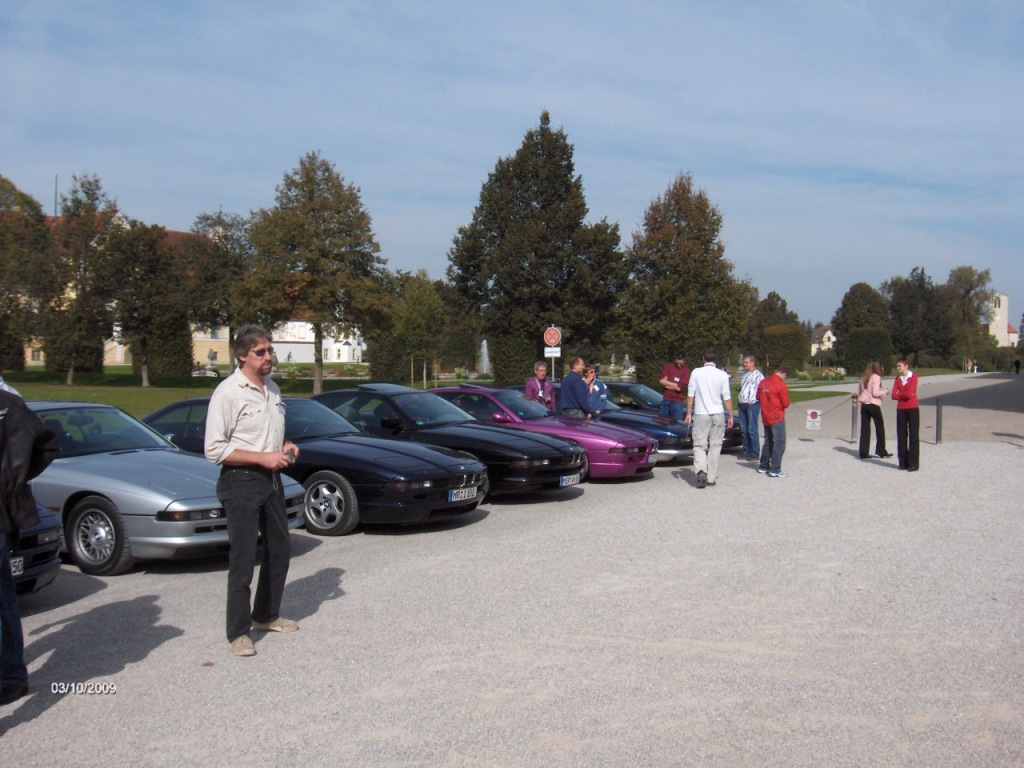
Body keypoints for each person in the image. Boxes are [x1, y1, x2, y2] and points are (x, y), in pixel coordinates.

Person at [205, 324, 302, 657]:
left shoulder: (272, 388)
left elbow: (267, 432)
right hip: (240, 481)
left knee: (280, 548)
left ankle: (266, 615)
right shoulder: (228, 393)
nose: (268, 356)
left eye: (270, 350)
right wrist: (262, 457)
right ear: (242, 355)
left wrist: (284, 446)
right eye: (260, 351)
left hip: (271, 479)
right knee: (244, 556)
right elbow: (214, 449)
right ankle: (238, 633)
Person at [0, 390, 59, 705]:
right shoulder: (9, 403)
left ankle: (10, 676)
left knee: (5, 598)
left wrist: (12, 483)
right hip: (5, 513)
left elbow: (47, 444)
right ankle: (11, 676)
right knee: (5, 597)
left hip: (4, 512)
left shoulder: (8, 405)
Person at [684, 348, 734, 489]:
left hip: (701, 413)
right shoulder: (722, 374)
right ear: (715, 360)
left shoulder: (696, 372)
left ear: (703, 359)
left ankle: (701, 470)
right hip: (718, 413)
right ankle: (711, 477)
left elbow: (690, 394)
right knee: (715, 445)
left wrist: (689, 412)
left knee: (699, 444)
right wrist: (730, 415)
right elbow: (727, 397)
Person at [757, 364, 791, 478]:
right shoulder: (780, 385)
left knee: (768, 441)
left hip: (765, 415)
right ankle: (775, 468)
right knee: (779, 443)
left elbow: (758, 397)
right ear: (784, 374)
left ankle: (763, 465)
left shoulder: (763, 382)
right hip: (776, 415)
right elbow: (785, 403)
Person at [857, 360, 891, 459]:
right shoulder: (876, 377)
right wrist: (884, 392)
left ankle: (863, 452)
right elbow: (875, 393)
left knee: (865, 429)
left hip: (864, 404)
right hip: (873, 404)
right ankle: (881, 450)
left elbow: (860, 391)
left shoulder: (863, 377)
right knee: (879, 427)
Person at [891, 356, 920, 472]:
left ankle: (913, 463)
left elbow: (910, 393)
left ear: (906, 366)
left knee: (913, 435)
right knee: (901, 435)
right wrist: (904, 394)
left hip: (912, 408)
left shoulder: (913, 377)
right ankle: (902, 462)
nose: (898, 368)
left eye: (899, 366)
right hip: (901, 409)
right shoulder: (897, 379)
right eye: (897, 366)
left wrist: (901, 394)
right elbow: (893, 395)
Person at [737, 355, 764, 461]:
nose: (745, 364)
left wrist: (754, 399)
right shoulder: (745, 375)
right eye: (744, 362)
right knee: (744, 429)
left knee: (751, 429)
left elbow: (761, 390)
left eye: (746, 362)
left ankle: (754, 452)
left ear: (752, 363)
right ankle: (746, 451)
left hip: (752, 404)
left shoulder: (759, 375)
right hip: (742, 404)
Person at [658, 354, 690, 420]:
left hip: (677, 402)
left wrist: (666, 383)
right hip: (665, 400)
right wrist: (675, 385)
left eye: (681, 363)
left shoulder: (686, 371)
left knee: (677, 423)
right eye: (677, 363)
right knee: (662, 422)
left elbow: (679, 388)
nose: (679, 365)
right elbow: (661, 381)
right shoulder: (669, 366)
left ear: (685, 361)